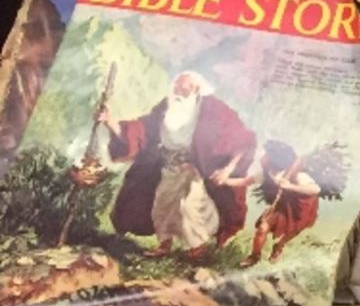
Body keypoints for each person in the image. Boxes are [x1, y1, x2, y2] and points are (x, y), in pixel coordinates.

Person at [96, 71, 256, 261]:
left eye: (184, 89)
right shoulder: (166, 106)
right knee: (161, 205)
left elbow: (242, 141)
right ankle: (165, 245)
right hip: (167, 167)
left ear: (196, 89)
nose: (178, 92)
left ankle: (197, 246)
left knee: (190, 205)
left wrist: (228, 169)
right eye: (176, 88)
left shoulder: (215, 110)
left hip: (193, 168)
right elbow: (143, 129)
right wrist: (110, 122)